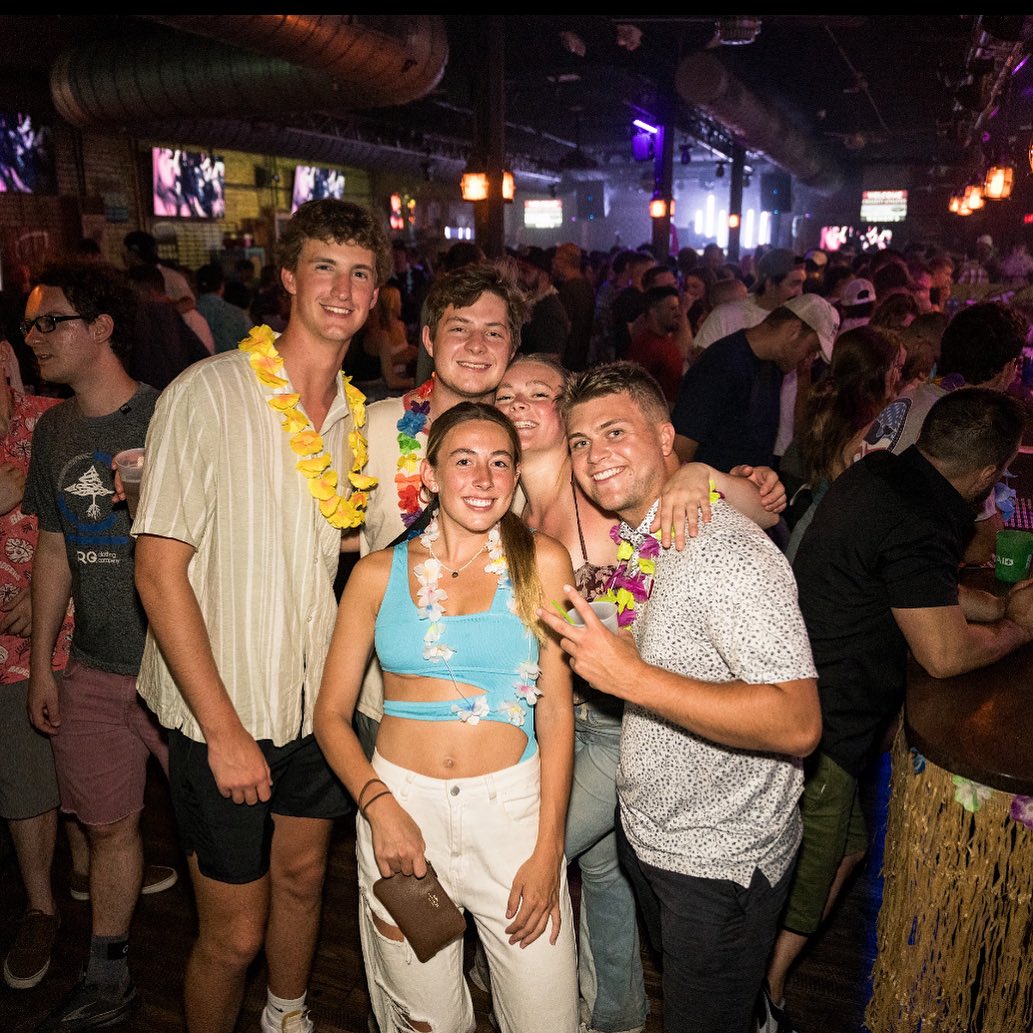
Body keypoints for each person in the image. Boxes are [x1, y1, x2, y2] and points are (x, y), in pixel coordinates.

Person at [132, 199, 392, 1033]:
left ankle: (289, 1015)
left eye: (359, 273)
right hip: (225, 706)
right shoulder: (207, 393)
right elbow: (157, 571)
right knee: (233, 934)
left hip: (318, 705)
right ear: (287, 276)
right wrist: (223, 731)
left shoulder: (356, 417)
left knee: (304, 880)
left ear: (377, 292)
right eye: (324, 267)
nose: (342, 289)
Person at [494, 353, 787, 1033]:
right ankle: (616, 1011)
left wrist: (702, 474)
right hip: (548, 714)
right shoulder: (504, 502)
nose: (518, 405)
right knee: (604, 872)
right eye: (504, 395)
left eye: (537, 393)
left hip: (622, 724)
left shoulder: (606, 494)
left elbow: (751, 514)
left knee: (529, 860)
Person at [757, 387, 1033, 1033]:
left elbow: (909, 585)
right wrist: (1019, 629)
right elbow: (942, 655)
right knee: (815, 869)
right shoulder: (920, 514)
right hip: (823, 721)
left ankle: (763, 979)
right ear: (988, 473)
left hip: (808, 692)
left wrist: (993, 606)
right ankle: (761, 999)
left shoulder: (885, 475)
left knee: (847, 848)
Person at [314, 402, 579, 1033]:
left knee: (546, 1021)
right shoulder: (376, 574)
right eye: (464, 460)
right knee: (424, 1021)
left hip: (513, 819)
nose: (483, 478)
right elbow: (329, 715)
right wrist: (380, 808)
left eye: (500, 463)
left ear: (515, 477)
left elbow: (556, 713)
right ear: (430, 475)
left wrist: (549, 848)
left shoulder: (543, 562)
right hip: (402, 817)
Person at [22, 259, 168, 1031]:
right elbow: (54, 546)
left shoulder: (168, 415)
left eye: (50, 321)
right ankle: (107, 976)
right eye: (29, 324)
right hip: (94, 667)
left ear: (102, 327)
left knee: (213, 838)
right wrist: (45, 663)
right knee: (108, 826)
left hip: (177, 674)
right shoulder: (54, 429)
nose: (33, 336)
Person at [353, 261, 531, 759]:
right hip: (389, 701)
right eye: (459, 329)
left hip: (501, 707)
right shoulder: (375, 427)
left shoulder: (531, 442)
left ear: (512, 348)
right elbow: (326, 529)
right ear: (429, 339)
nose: (476, 346)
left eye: (493, 333)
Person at [859, 301, 1028, 564]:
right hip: (879, 565)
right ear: (1008, 367)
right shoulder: (967, 421)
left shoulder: (914, 396)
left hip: (847, 546)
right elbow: (982, 546)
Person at [672, 294, 840, 472]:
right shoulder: (722, 364)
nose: (810, 359)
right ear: (794, 331)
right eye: (812, 349)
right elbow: (681, 447)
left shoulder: (773, 366)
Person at [781, 326, 905, 560]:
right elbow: (847, 479)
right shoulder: (855, 420)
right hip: (823, 530)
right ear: (877, 371)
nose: (899, 376)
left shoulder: (843, 404)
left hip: (821, 523)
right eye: (896, 367)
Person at [627, 284, 693, 407]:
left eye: (678, 308)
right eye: (672, 309)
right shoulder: (646, 347)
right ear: (654, 312)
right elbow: (637, 390)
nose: (678, 313)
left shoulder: (666, 341)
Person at [194, 261, 253, 354]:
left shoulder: (190, 313)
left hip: (198, 362)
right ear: (222, 286)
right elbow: (252, 343)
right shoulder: (238, 314)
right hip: (233, 361)